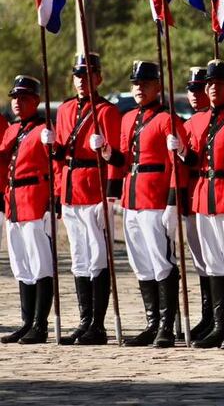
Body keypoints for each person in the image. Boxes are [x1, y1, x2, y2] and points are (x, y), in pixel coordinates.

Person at [174, 59, 224, 350]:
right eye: (208, 84)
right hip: (203, 196)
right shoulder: (195, 121)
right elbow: (195, 160)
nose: (212, 88)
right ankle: (218, 325)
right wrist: (183, 152)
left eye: (218, 84)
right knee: (213, 263)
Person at [47, 53, 124, 345]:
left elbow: (117, 156)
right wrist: (52, 146)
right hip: (70, 186)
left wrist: (104, 151)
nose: (82, 80)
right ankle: (84, 320)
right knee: (78, 257)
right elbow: (58, 157)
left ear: (98, 78)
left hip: (95, 187)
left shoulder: (107, 111)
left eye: (88, 75)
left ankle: (98, 324)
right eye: (78, 75)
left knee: (97, 256)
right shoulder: (65, 109)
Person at [120, 61, 187, 348]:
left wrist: (173, 202)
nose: (139, 88)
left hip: (155, 197)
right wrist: (107, 152)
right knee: (141, 263)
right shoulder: (127, 119)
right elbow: (122, 160)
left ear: (158, 86)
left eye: (145, 83)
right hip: (131, 197)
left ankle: (166, 326)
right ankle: (151, 322)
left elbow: (178, 165)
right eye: (135, 83)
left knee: (162, 262)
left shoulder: (167, 119)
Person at [0, 76, 53, 344]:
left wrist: (52, 203)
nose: (17, 102)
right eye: (14, 97)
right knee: (21, 264)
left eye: (23, 98)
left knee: (40, 263)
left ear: (36, 100)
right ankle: (26, 321)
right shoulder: (11, 130)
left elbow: (55, 167)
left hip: (35, 198)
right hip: (14, 201)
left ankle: (40, 325)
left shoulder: (44, 129)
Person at [182, 67, 213, 342]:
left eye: (198, 89)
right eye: (190, 89)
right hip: (194, 194)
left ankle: (220, 317)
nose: (194, 94)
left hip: (213, 193)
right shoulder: (188, 122)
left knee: (220, 259)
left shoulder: (215, 120)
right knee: (201, 261)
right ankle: (209, 315)